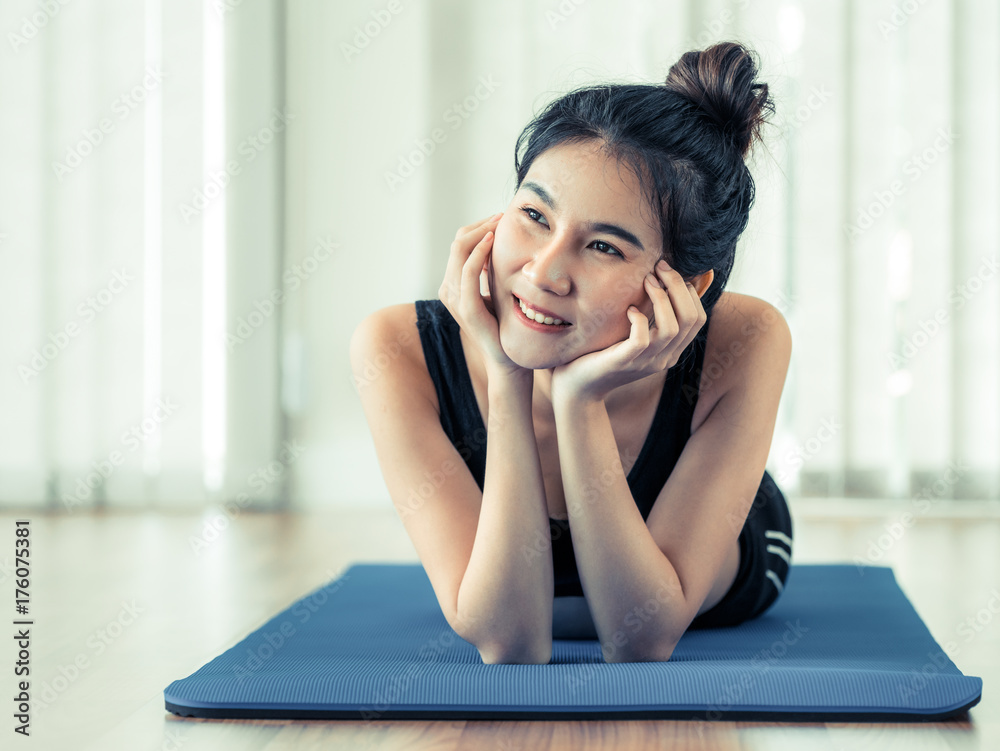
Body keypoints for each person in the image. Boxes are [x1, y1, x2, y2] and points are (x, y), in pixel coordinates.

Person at [350, 41, 793, 665]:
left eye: (605, 247)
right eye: (533, 214)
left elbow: (640, 640)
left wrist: (580, 400)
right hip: (512, 575)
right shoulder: (397, 348)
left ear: (687, 287)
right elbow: (509, 644)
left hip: (706, 546)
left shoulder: (746, 337)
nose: (544, 271)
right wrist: (507, 373)